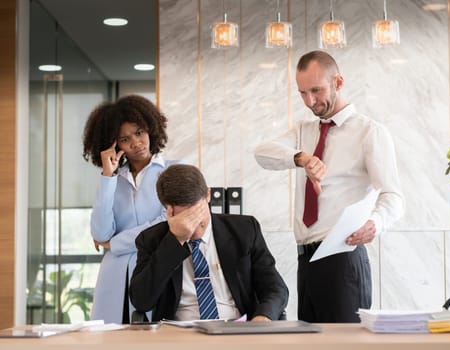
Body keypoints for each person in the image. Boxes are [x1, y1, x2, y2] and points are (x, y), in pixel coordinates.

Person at [254, 50, 404, 323]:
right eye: (302, 93)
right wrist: (301, 157)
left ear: (338, 82)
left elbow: (393, 195)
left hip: (342, 259)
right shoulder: (304, 131)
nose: (310, 101)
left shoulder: (369, 132)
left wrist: (376, 222)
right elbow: (262, 153)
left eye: (316, 90)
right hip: (306, 261)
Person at [129, 164, 288, 322]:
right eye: (186, 217)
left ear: (208, 195)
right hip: (179, 335)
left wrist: (263, 318)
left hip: (237, 329)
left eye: (198, 213)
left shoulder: (244, 230)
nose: (194, 225)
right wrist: (175, 241)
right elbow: (141, 301)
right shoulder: (151, 240)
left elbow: (275, 289)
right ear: (168, 210)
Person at [82, 94, 183, 323]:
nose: (136, 143)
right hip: (114, 275)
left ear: (150, 129)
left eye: (139, 133)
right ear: (114, 144)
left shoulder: (174, 171)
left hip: (158, 270)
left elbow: (167, 222)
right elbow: (100, 233)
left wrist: (116, 243)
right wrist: (107, 176)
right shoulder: (112, 181)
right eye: (125, 139)